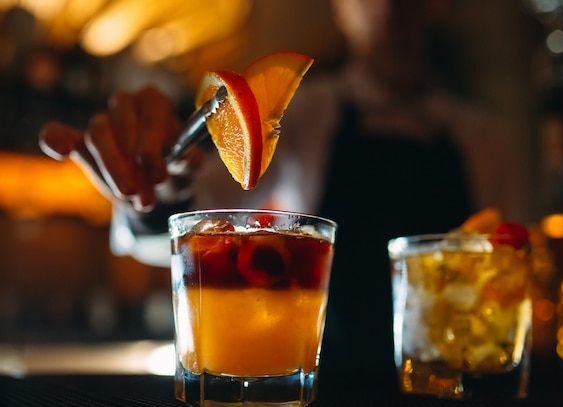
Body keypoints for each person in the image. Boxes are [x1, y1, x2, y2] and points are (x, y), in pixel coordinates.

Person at [39, 0, 532, 381]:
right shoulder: (301, 113)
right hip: (316, 386)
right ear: (340, 6)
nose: (387, 4)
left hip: (445, 389)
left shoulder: (485, 139)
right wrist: (158, 187)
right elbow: (186, 225)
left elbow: (510, 273)